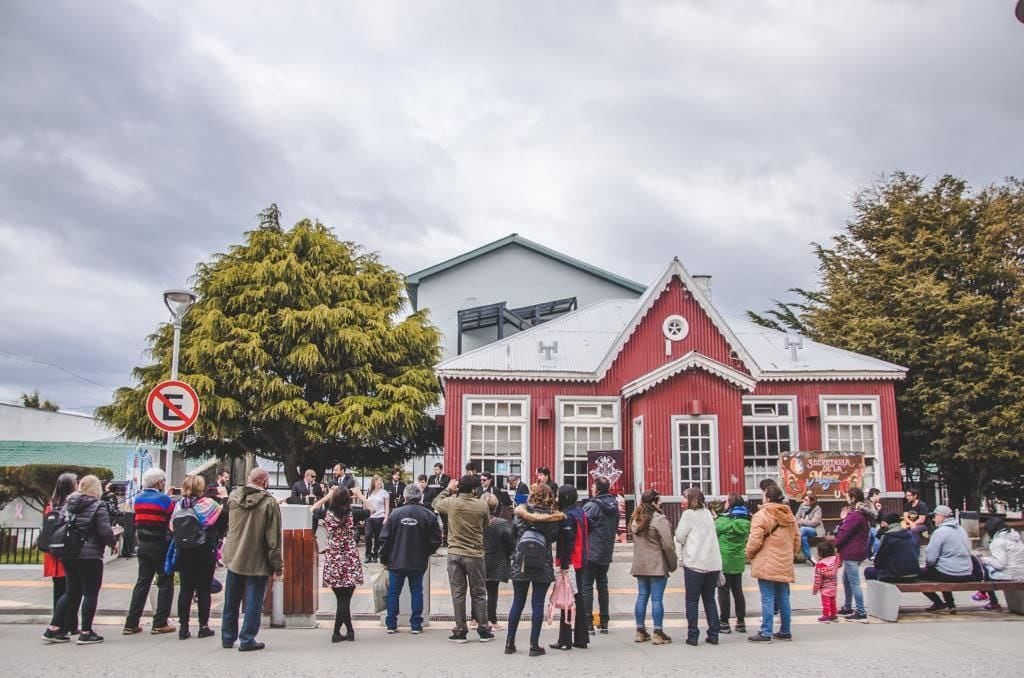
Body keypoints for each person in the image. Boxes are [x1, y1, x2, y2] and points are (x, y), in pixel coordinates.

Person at [42, 475, 117, 645]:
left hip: (69, 553)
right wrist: (113, 543)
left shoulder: (68, 504)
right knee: (90, 592)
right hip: (90, 556)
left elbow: (60, 525)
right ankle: (86, 632)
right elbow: (105, 531)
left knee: (71, 592)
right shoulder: (98, 506)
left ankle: (53, 628)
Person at [221, 468, 283, 651]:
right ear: (265, 482)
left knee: (231, 599)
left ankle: (227, 637)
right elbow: (273, 539)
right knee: (254, 600)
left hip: (234, 556)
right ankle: (247, 638)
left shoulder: (233, 496)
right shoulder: (270, 503)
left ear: (249, 479)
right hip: (258, 558)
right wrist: (277, 564)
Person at [433, 474, 494, 643]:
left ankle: (460, 630)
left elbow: (435, 503)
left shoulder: (452, 503)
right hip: (474, 554)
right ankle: (483, 629)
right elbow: (486, 524)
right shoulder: (482, 505)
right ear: (475, 489)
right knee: (479, 592)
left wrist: (448, 490)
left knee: (458, 593)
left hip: (454, 553)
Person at [505, 484, 563, 656]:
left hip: (521, 562)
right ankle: (534, 645)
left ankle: (509, 642)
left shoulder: (520, 514)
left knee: (518, 602)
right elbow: (553, 538)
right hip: (542, 563)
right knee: (537, 604)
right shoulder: (553, 518)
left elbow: (512, 535)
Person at [380, 483, 442, 633]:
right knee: (416, 591)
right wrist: (426, 551)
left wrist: (384, 558)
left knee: (394, 592)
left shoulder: (395, 514)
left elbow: (384, 538)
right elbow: (436, 539)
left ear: (405, 496)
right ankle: (416, 624)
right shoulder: (428, 515)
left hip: (396, 560)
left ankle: (391, 624)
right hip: (418, 560)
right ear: (420, 496)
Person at [171, 474, 225, 640]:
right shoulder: (209, 505)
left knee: (186, 589)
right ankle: (203, 625)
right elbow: (221, 522)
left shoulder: (179, 505)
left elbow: (172, 526)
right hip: (204, 550)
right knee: (203, 589)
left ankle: (184, 627)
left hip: (184, 550)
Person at [123, 467, 176, 636]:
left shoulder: (138, 499)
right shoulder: (165, 500)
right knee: (165, 582)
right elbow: (170, 518)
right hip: (160, 545)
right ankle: (160, 622)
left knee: (142, 582)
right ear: (160, 482)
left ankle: (131, 622)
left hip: (143, 545)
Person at [745, 483, 799, 643]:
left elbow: (755, 540)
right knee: (783, 597)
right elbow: (797, 538)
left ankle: (766, 631)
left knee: (767, 597)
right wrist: (792, 552)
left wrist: (748, 553)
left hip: (767, 560)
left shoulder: (762, 515)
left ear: (767, 497)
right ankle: (785, 630)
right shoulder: (790, 516)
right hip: (784, 560)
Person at [674, 487, 722, 646]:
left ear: (690, 499)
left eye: (684, 497)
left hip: (695, 562)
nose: (682, 500)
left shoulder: (688, 515)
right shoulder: (708, 513)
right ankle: (714, 633)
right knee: (709, 599)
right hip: (712, 562)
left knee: (692, 600)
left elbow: (680, 536)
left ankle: (693, 635)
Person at [316, 485, 364, 642]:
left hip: (334, 559)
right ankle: (343, 632)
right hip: (350, 558)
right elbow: (373, 509)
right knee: (345, 599)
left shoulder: (327, 514)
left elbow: (312, 509)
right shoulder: (353, 514)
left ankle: (343, 632)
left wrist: (327, 496)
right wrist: (360, 496)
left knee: (341, 599)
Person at [630, 489, 677, 645]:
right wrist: (672, 563)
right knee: (657, 599)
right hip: (656, 563)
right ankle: (658, 631)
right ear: (655, 502)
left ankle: (640, 630)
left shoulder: (635, 519)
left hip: (640, 563)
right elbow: (668, 545)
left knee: (642, 596)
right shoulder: (659, 520)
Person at [550, 485, 589, 651]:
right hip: (582, 559)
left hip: (571, 561)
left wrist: (564, 563)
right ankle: (581, 637)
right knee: (578, 598)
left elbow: (567, 541)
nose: (556, 499)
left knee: (567, 598)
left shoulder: (566, 516)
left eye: (558, 496)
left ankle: (565, 639)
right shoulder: (580, 512)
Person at [42, 473, 78, 635]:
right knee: (71, 590)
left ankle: (64, 623)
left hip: (52, 552)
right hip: (66, 552)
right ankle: (62, 625)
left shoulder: (50, 505)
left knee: (59, 589)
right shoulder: (70, 505)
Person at [582, 477, 617, 634]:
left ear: (597, 489)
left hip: (591, 549)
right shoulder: (615, 504)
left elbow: (583, 525)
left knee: (587, 585)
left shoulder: (592, 506)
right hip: (606, 550)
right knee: (603, 584)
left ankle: (587, 621)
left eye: (593, 486)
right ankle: (604, 621)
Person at [715, 493, 750, 635]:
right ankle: (741, 622)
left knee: (723, 591)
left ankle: (724, 622)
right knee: (738, 591)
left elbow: (714, 531)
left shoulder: (723, 521)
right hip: (738, 560)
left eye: (726, 501)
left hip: (724, 559)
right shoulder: (746, 521)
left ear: (730, 503)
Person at [834, 487, 871, 620]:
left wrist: (835, 543)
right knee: (846, 579)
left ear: (853, 498)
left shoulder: (854, 515)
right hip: (858, 551)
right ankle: (847, 606)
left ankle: (860, 610)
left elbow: (844, 532)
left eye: (848, 496)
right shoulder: (862, 515)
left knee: (854, 582)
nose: (846, 499)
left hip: (851, 552)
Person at [977, 517, 1024, 611]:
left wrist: (983, 559)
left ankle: (987, 596)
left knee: (983, 568)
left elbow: (1000, 564)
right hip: (1021, 572)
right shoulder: (1016, 538)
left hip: (1010, 574)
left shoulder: (997, 542)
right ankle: (985, 596)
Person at [482, 492, 514, 629]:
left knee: (477, 590)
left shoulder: (476, 521)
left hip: (478, 559)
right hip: (497, 560)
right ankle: (492, 620)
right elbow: (510, 544)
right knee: (492, 590)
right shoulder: (502, 523)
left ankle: (475, 618)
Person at [864, 513, 919, 583]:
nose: (881, 526)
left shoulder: (888, 536)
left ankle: (879, 594)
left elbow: (879, 562)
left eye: (883, 524)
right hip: (913, 574)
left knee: (868, 571)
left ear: (888, 524)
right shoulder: (910, 535)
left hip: (894, 575)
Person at [812, 541, 841, 623]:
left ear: (820, 553)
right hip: (834, 586)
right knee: (833, 601)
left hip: (825, 587)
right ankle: (833, 615)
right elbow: (839, 563)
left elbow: (818, 579)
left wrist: (815, 590)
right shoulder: (835, 560)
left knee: (826, 603)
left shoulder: (820, 564)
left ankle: (826, 615)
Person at [363, 474, 390, 563]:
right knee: (368, 535)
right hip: (369, 517)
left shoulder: (384, 493)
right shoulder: (368, 492)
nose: (379, 483)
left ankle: (375, 554)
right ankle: (368, 554)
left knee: (378, 537)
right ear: (373, 482)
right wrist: (363, 515)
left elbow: (387, 506)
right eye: (377, 481)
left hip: (380, 516)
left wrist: (386, 517)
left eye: (380, 481)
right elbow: (365, 504)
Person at [424, 463, 451, 544]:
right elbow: (429, 487)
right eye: (434, 469)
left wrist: (439, 486)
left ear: (441, 470)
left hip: (443, 503)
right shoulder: (431, 478)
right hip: (433, 502)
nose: (435, 471)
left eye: (437, 469)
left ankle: (445, 540)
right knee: (432, 521)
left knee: (445, 522)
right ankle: (433, 539)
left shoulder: (447, 478)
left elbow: (446, 489)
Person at [795, 492, 823, 564]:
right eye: (804, 499)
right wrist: (804, 521)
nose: (803, 501)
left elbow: (814, 523)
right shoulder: (801, 506)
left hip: (815, 530)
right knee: (803, 538)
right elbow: (797, 517)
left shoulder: (817, 509)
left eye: (806, 500)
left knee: (803, 530)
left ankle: (794, 547)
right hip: (802, 529)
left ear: (811, 502)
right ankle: (810, 557)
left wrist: (802, 521)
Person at [866, 488, 883, 556]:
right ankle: (876, 554)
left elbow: (880, 518)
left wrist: (879, 510)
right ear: (874, 495)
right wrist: (877, 511)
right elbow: (869, 516)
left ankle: (873, 554)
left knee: (874, 540)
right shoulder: (866, 503)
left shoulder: (876, 504)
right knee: (876, 539)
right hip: (868, 525)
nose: (880, 497)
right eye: (879, 495)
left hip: (874, 525)